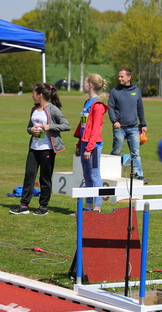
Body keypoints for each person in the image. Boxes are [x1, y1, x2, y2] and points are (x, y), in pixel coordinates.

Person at [10, 83, 70, 215]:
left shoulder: (53, 109)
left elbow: (66, 125)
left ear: (40, 95)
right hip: (34, 148)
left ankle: (43, 206)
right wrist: (31, 130)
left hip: (47, 149)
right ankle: (24, 205)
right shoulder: (34, 109)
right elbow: (28, 127)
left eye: (33, 93)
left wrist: (50, 127)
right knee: (29, 175)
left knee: (45, 178)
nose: (32, 96)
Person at [73, 74, 108, 213]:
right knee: (87, 176)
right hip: (84, 144)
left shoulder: (97, 105)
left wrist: (89, 148)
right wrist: (79, 145)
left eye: (85, 82)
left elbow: (95, 129)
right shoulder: (87, 103)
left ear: (91, 85)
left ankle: (97, 208)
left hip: (93, 146)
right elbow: (84, 127)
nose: (83, 85)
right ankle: (88, 207)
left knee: (94, 175)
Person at [108, 68, 148, 183]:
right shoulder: (114, 91)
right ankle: (109, 171)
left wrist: (143, 123)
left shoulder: (136, 91)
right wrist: (114, 121)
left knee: (136, 153)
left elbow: (140, 108)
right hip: (119, 128)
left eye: (122, 76)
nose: (119, 78)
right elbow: (110, 108)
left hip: (134, 128)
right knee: (116, 151)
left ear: (129, 77)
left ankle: (139, 176)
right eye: (119, 76)